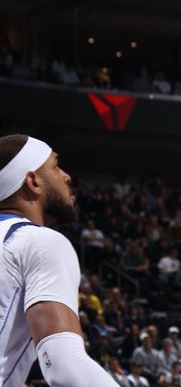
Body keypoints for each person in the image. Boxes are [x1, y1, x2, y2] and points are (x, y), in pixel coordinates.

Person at [0, 134, 120, 385]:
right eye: (55, 166)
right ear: (33, 181)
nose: (66, 176)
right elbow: (64, 366)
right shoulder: (39, 242)